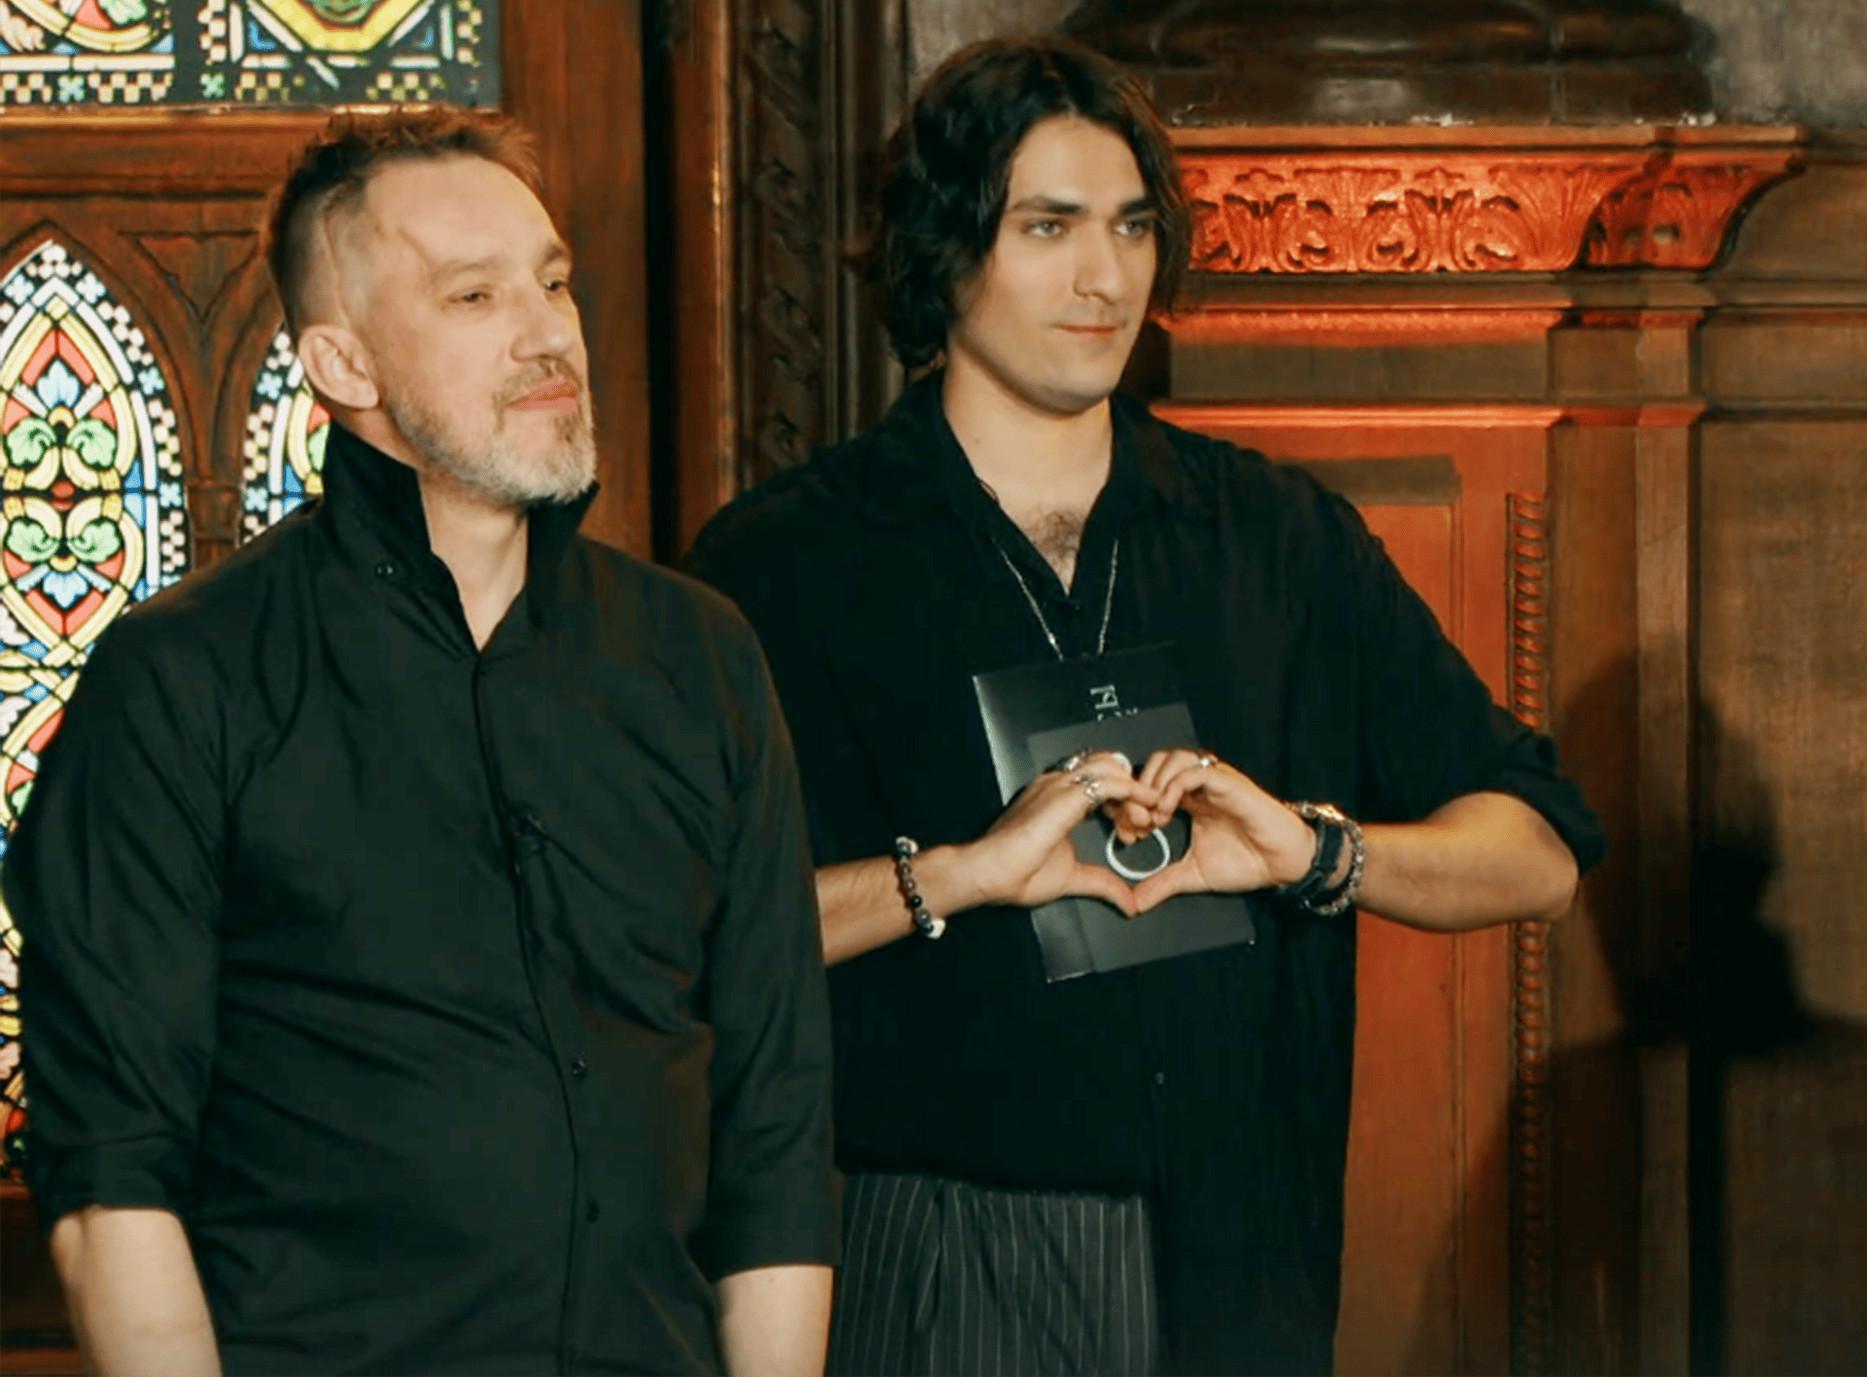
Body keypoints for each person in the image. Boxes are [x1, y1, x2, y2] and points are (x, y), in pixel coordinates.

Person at [685, 35, 1602, 1377]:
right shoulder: (784, 562)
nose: (1104, 277)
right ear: (944, 252)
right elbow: (686, 931)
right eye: (1047, 226)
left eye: (1128, 227)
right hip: (932, 1238)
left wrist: (1318, 854)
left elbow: (1540, 854)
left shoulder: (1278, 537)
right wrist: (956, 875)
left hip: (1244, 1244)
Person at [9, 110, 837, 1377]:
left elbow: (774, 1127)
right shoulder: (182, 680)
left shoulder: (699, 655)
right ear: (343, 362)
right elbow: (112, 1179)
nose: (547, 332)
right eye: (473, 296)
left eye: (552, 281)